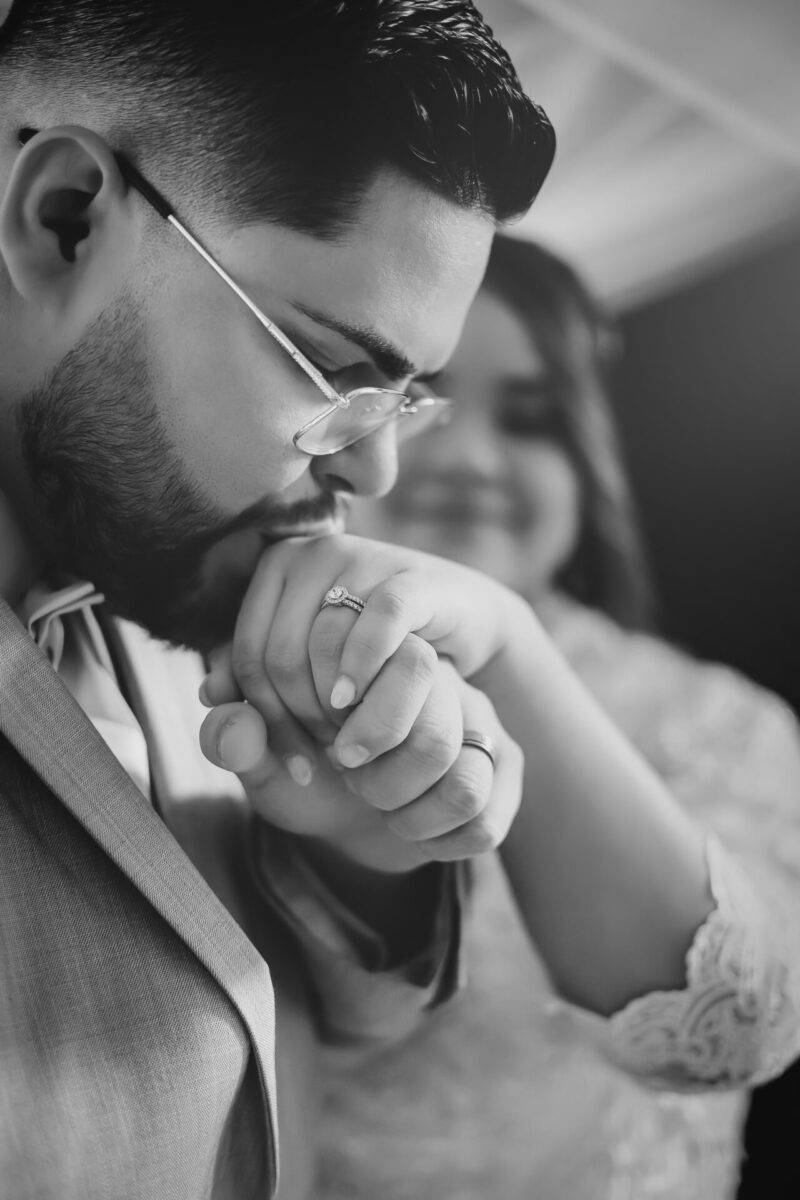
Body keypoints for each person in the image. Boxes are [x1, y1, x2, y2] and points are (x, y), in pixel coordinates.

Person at [0, 4, 557, 1198]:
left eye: (401, 399)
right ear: (65, 223)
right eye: (330, 371)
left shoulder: (173, 569)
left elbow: (290, 1044)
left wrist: (363, 850)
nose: (373, 475)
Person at [288, 235, 800, 1198]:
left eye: (530, 419)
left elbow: (733, 1027)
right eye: (419, 401)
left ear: (585, 458)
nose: (474, 457)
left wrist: (505, 643)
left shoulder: (716, 721)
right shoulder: (236, 681)